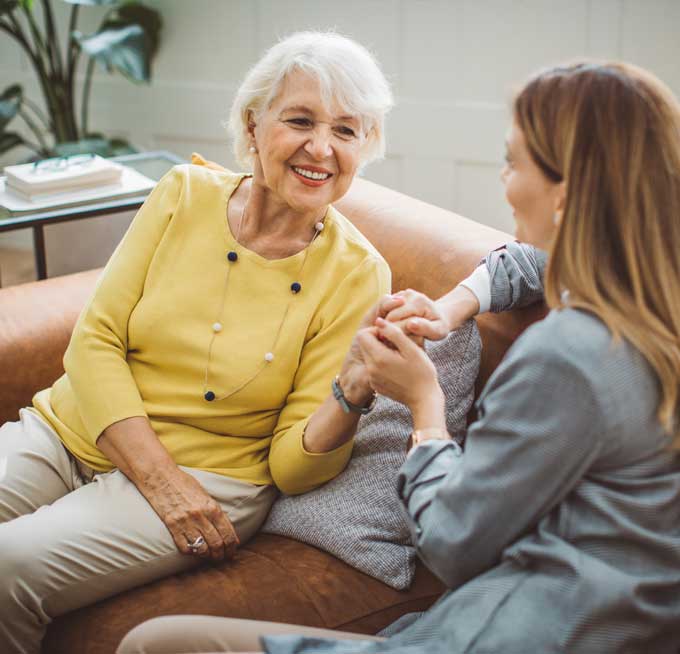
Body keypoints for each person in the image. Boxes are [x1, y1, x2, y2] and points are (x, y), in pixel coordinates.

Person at [118, 61, 680, 653]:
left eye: (515, 163)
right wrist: (453, 307)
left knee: (156, 644)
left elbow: (455, 545)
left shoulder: (566, 359)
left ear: (566, 192)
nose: (505, 182)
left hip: (518, 632)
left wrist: (425, 408)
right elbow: (527, 264)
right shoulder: (653, 299)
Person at [0, 31, 394, 654]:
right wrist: (158, 478)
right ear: (253, 123)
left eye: (347, 131)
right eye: (299, 120)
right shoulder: (183, 193)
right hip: (76, 429)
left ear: (364, 147)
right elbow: (95, 340)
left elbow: (291, 469)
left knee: (8, 566)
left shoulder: (357, 274)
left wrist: (349, 395)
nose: (321, 148)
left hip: (210, 476)